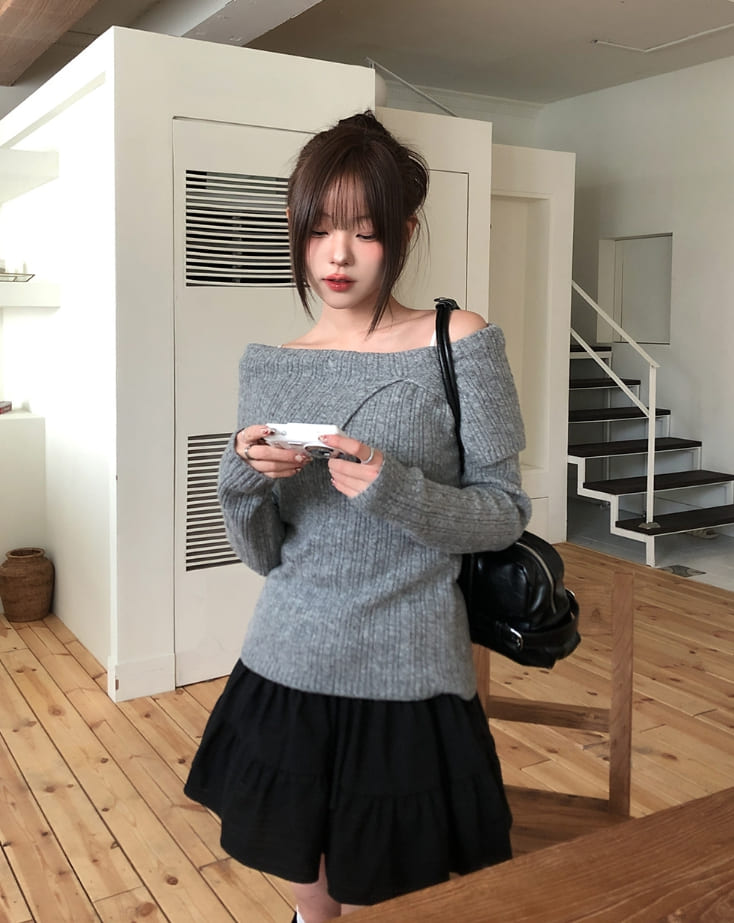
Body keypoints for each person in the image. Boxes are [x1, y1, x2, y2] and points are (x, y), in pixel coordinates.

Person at [184, 110, 531, 922]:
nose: (337, 255)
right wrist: (239, 475)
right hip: (289, 654)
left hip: (410, 661)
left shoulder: (460, 340)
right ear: (297, 229)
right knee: (302, 861)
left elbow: (504, 513)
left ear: (403, 232)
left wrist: (395, 489)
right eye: (319, 230)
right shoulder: (271, 365)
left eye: (365, 231)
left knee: (406, 871)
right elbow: (264, 554)